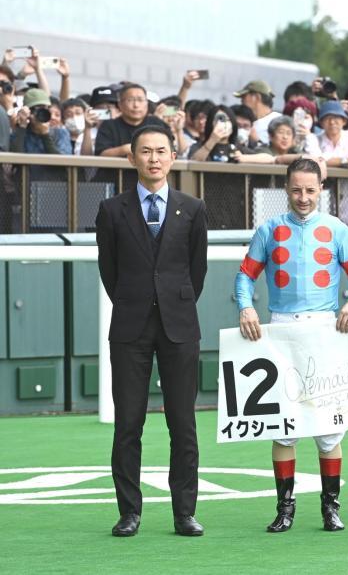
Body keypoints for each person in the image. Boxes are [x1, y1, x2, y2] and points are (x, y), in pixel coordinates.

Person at [234, 158, 348, 533]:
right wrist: (246, 307)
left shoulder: (338, 229)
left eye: (311, 190)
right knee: (283, 426)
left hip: (326, 330)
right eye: (296, 190)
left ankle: (330, 509)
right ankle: (285, 509)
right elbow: (245, 276)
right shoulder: (269, 229)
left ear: (321, 189)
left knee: (329, 427)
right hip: (280, 330)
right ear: (286, 189)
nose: (304, 197)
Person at [95, 124, 208, 538]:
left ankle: (185, 514)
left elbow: (197, 272)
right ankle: (129, 512)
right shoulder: (111, 210)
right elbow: (110, 270)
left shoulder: (193, 208)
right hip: (130, 327)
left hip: (180, 328)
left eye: (161, 150)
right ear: (132, 158)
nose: (154, 158)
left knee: (183, 423)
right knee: (128, 423)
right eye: (145, 151)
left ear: (173, 157)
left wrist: (172, 300)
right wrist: (135, 299)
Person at [94, 83, 166, 157]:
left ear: (147, 103)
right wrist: (124, 150)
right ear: (120, 104)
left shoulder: (157, 124)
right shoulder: (108, 126)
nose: (136, 105)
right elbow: (101, 154)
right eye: (130, 100)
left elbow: (170, 151)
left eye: (140, 100)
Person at [234, 80, 280, 146]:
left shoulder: (279, 122)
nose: (241, 101)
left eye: (244, 97)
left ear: (257, 97)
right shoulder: (246, 121)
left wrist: (256, 141)